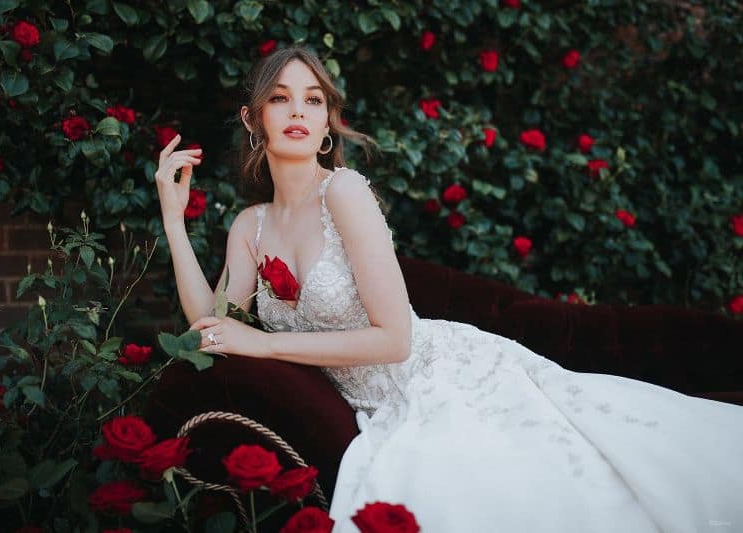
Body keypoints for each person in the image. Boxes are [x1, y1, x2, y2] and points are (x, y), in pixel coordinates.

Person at [155, 45, 743, 532]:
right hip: (370, 404)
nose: (297, 110)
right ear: (252, 118)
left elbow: (395, 340)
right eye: (279, 98)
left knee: (569, 485)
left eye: (313, 98)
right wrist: (175, 220)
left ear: (329, 119)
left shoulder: (344, 193)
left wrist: (263, 344)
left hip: (435, 377)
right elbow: (213, 324)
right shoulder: (250, 225)